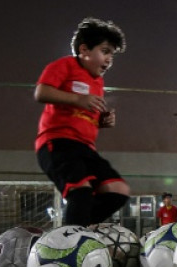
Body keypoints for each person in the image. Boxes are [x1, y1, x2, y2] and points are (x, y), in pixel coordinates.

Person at [34, 17, 130, 226]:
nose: (109, 59)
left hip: (85, 148)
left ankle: (73, 231)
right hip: (58, 143)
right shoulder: (65, 65)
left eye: (112, 55)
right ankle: (71, 243)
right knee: (81, 191)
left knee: (118, 191)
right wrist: (79, 99)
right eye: (105, 51)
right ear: (84, 50)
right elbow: (41, 92)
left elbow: (86, 115)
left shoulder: (98, 82)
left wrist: (101, 121)